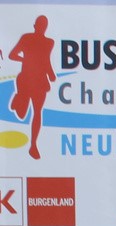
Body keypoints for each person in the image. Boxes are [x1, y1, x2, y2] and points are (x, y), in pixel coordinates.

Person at [8, 16, 56, 160]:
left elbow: (46, 61)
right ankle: (17, 100)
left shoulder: (49, 42)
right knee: (22, 114)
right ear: (35, 26)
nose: (42, 28)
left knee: (37, 112)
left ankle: (33, 145)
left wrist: (51, 74)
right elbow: (12, 55)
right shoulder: (26, 38)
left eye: (43, 26)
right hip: (26, 79)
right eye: (40, 25)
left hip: (40, 82)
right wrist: (26, 60)